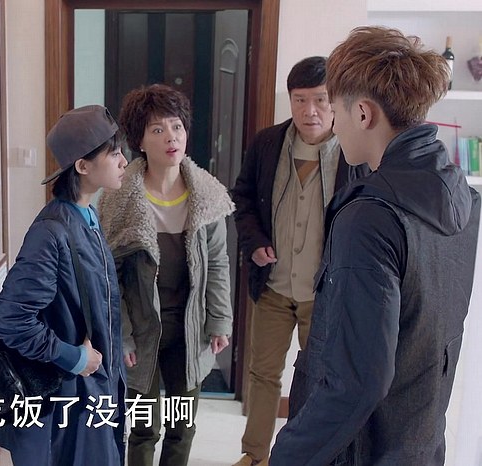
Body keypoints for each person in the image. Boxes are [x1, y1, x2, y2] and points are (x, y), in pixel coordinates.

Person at [269, 26, 481, 465]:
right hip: (419, 441)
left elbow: (356, 381)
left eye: (335, 109)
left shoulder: (370, 218)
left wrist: (287, 455)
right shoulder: (462, 196)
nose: (332, 123)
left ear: (363, 113)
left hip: (363, 449)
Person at [230, 56, 366, 466]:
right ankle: (254, 455)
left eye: (321, 100)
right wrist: (254, 242)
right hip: (273, 286)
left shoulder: (354, 151)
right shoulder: (267, 143)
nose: (310, 111)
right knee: (262, 374)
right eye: (300, 100)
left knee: (318, 380)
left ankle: (304, 457)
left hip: (323, 293)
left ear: (335, 101)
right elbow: (243, 198)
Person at [98, 83, 234, 466]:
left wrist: (220, 320)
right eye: (157, 129)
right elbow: (109, 279)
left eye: (176, 126)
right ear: (139, 140)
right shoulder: (120, 199)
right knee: (144, 427)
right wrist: (122, 335)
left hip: (189, 328)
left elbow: (218, 262)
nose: (171, 137)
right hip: (142, 330)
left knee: (182, 426)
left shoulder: (206, 194)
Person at [0, 105, 128, 466]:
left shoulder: (88, 215)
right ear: (82, 166)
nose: (123, 162)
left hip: (95, 388)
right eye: (114, 153)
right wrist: (75, 357)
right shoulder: (51, 232)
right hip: (67, 399)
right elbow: (11, 320)